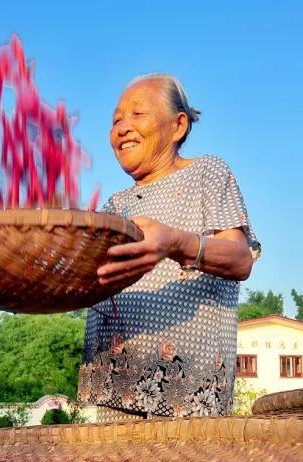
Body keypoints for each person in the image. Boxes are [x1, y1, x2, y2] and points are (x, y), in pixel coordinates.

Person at [78, 74, 261, 421]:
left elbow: (240, 260)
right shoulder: (116, 206)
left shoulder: (207, 173)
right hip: (115, 393)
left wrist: (175, 242)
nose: (122, 127)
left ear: (178, 126)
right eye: (116, 119)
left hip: (185, 396)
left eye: (137, 114)